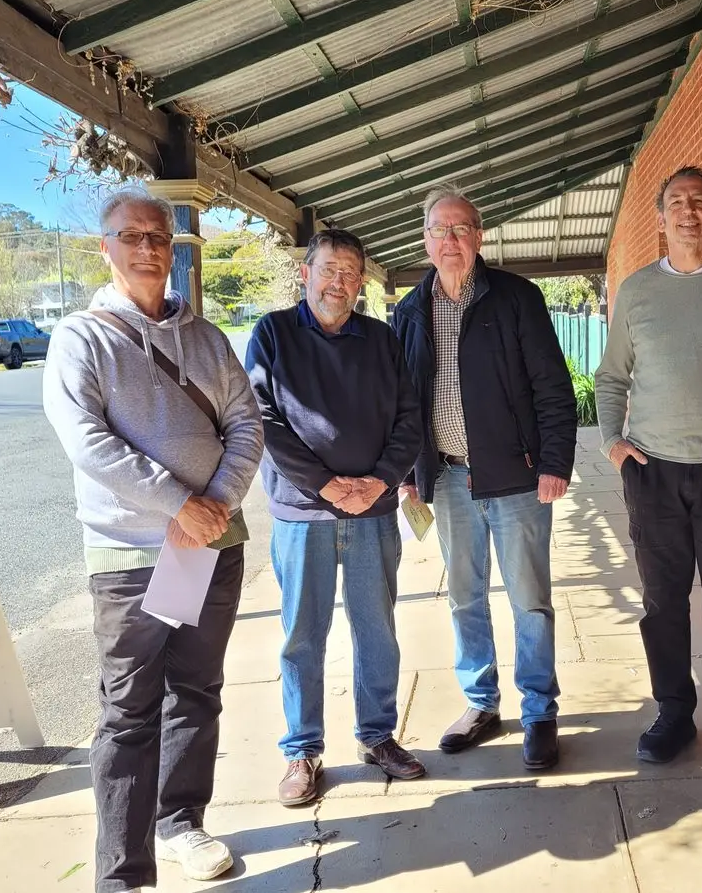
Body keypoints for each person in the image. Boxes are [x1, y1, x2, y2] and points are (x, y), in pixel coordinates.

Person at [42, 188, 264, 893]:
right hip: (131, 559)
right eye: (130, 235)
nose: (146, 248)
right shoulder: (81, 338)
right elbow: (87, 440)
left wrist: (216, 503)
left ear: (173, 248)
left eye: (158, 236)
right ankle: (124, 875)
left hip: (210, 548)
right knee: (129, 712)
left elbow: (247, 424)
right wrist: (177, 503)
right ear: (103, 247)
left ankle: (181, 822)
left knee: (196, 690)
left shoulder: (205, 339)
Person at [392, 184, 577, 770]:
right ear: (425, 240)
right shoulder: (408, 311)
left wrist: (554, 463)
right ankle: (480, 702)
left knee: (530, 600)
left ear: (479, 236)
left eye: (460, 229)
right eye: (439, 231)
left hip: (517, 478)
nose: (450, 241)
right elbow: (400, 401)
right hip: (445, 479)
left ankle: (539, 709)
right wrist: (405, 475)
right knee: (464, 597)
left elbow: (553, 386)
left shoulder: (516, 299)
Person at [594, 166, 702, 774]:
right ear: (660, 217)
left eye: (700, 201)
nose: (688, 211)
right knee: (663, 601)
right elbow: (612, 375)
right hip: (653, 472)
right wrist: (614, 442)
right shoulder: (638, 291)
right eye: (676, 202)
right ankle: (673, 712)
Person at [245, 229, 426, 806]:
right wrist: (324, 484)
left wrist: (379, 480)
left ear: (362, 281)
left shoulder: (381, 338)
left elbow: (409, 415)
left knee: (377, 629)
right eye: (329, 270)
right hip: (302, 513)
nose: (339, 282)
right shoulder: (273, 333)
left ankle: (377, 736)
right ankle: (302, 750)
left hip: (372, 509)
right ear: (307, 273)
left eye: (350, 273)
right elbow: (263, 418)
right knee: (303, 634)